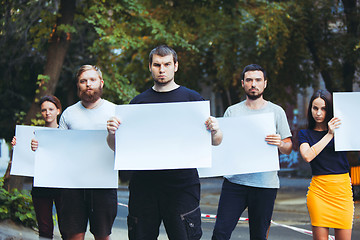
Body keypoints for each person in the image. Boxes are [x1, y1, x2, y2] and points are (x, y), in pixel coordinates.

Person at [107, 45, 223, 240]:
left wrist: (216, 129)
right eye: (157, 65)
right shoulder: (137, 104)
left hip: (182, 187)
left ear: (175, 66)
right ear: (150, 67)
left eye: (167, 64)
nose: (162, 69)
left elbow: (216, 142)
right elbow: (117, 147)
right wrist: (112, 133)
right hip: (144, 188)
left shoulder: (193, 100)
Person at [33, 65, 117, 240]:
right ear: (78, 85)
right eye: (83, 81)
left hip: (103, 185)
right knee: (73, 236)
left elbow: (124, 149)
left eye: (92, 80)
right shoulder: (68, 114)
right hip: (72, 187)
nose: (88, 84)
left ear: (101, 83)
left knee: (103, 236)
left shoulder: (115, 111)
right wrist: (38, 147)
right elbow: (58, 151)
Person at [211, 64, 293, 240]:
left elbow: (288, 147)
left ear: (265, 83)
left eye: (258, 80)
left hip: (265, 185)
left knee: (258, 236)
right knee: (220, 233)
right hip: (235, 183)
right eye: (249, 80)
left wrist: (280, 143)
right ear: (243, 83)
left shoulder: (276, 111)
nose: (253, 84)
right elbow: (221, 145)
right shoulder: (232, 111)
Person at [298, 89, 353, 240]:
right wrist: (329, 134)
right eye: (315, 108)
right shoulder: (304, 134)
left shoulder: (343, 130)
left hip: (343, 192)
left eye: (324, 108)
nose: (319, 113)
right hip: (319, 193)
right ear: (310, 109)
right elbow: (308, 156)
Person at [12, 95, 64, 239]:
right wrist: (18, 144)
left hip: (62, 185)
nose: (47, 113)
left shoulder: (66, 134)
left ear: (58, 110)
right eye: (44, 110)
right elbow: (25, 157)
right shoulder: (31, 134)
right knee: (44, 228)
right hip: (41, 184)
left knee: (66, 228)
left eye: (51, 109)